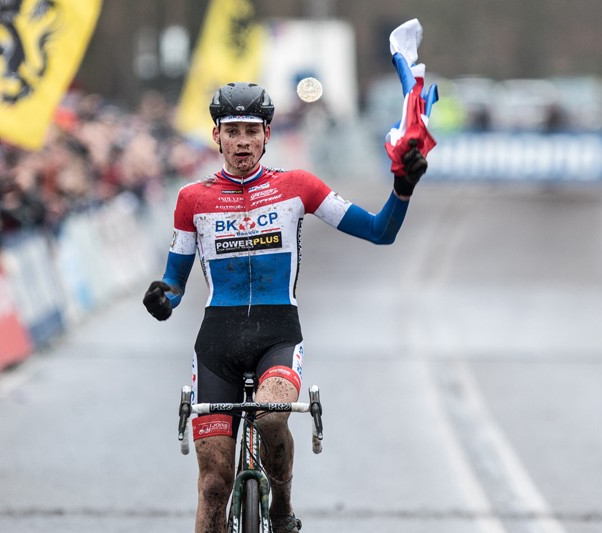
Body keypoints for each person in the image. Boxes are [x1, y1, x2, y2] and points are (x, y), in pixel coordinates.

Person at [142, 80, 429, 533]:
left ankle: (280, 509)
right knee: (214, 485)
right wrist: (163, 298)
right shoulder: (191, 200)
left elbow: (379, 231)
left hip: (276, 333)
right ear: (216, 135)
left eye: (251, 131)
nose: (241, 142)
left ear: (267, 135)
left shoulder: (298, 187)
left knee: (273, 415)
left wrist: (403, 189)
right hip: (217, 342)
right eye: (232, 131)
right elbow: (174, 282)